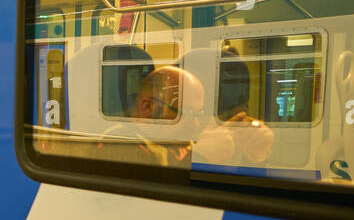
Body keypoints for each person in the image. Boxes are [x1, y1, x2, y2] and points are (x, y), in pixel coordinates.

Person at [100, 65, 272, 167]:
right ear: (147, 107)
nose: (196, 123)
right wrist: (198, 157)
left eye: (199, 114)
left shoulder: (175, 139)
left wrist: (249, 144)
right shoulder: (117, 143)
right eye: (188, 113)